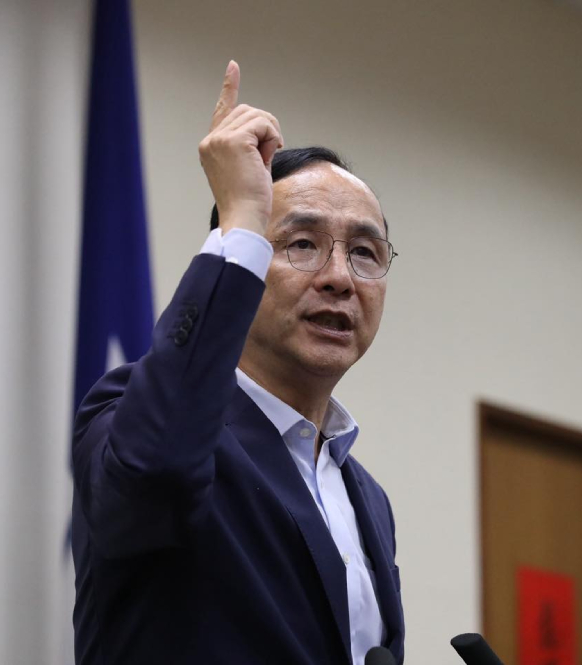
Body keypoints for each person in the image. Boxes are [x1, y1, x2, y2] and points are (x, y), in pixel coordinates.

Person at [71, 60, 404, 665]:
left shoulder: (368, 497)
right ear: (244, 259)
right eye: (301, 244)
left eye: (365, 252)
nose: (339, 278)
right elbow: (156, 473)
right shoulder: (134, 416)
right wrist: (243, 214)